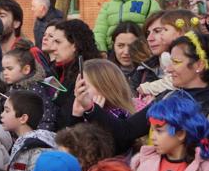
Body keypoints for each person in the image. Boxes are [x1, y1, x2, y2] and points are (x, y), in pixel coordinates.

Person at [73, 32, 209, 154]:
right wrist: (90, 107)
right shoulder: (168, 97)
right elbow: (127, 131)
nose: (168, 69)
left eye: (176, 62)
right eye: (169, 62)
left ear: (199, 65)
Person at [131, 92, 209, 171]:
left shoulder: (203, 170)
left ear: (180, 134)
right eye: (152, 130)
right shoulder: (144, 164)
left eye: (159, 131)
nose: (152, 137)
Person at [1, 90, 56, 171]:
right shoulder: (22, 144)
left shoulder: (36, 149)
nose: (2, 115)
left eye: (7, 110)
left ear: (23, 118)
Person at [50, 19, 101, 128]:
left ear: (75, 45)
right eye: (53, 42)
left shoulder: (87, 76)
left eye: (58, 42)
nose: (53, 48)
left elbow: (67, 116)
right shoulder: (59, 70)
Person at [2, 40, 58, 130]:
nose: (5, 73)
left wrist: (37, 138)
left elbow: (47, 117)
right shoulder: (12, 88)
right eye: (3, 69)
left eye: (9, 68)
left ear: (26, 69)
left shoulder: (36, 90)